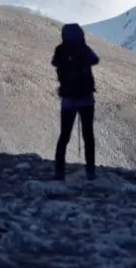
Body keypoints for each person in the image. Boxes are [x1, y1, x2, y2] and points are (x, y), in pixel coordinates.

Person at [52, 23, 99, 180]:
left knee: (64, 136)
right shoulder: (84, 50)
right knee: (88, 136)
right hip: (86, 98)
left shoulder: (60, 50)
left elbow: (55, 63)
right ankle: (90, 171)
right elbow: (95, 60)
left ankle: (59, 172)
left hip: (68, 99)